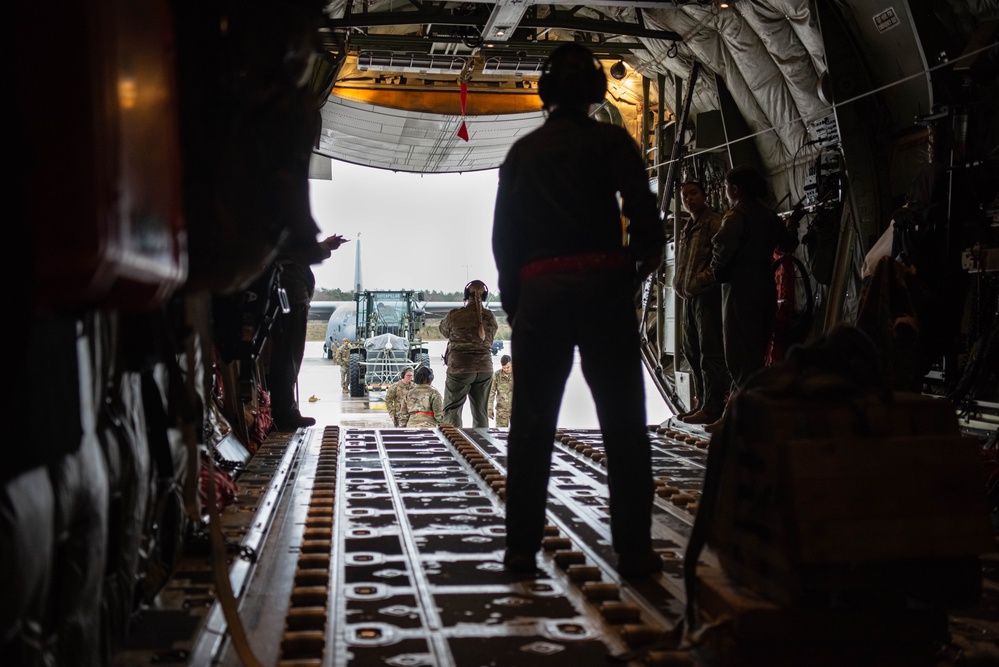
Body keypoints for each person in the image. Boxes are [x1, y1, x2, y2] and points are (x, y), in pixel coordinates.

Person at [491, 43, 666, 578]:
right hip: (603, 289)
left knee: (531, 424)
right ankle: (634, 552)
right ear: (595, 92)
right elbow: (645, 217)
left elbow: (506, 240)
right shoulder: (613, 141)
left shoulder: (523, 153)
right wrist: (632, 271)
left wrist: (519, 305)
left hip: (542, 291)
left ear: (545, 93)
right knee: (623, 424)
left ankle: (521, 549)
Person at [705, 165, 793, 433]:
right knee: (756, 351)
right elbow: (788, 244)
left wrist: (718, 269)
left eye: (726, 187)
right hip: (764, 287)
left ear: (735, 189)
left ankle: (738, 418)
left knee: (737, 353)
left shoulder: (736, 214)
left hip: (740, 287)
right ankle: (745, 412)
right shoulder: (769, 215)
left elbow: (722, 245)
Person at [673, 180, 728, 425]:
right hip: (689, 296)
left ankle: (713, 407)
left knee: (709, 351)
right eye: (684, 195)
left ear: (704, 195)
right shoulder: (689, 226)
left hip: (706, 295)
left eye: (693, 193)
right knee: (691, 349)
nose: (688, 199)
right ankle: (702, 402)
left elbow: (722, 259)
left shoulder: (713, 222)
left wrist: (701, 280)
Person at [439, 280, 499, 427]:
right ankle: (482, 443)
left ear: (467, 295)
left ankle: (454, 443)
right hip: (485, 368)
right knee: (481, 413)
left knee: (452, 410)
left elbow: (443, 330)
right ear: (485, 296)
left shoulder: (455, 315)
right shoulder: (489, 317)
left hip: (460, 368)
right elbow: (490, 336)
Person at [487, 355, 514, 427]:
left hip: (516, 409)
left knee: (519, 434)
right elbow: (491, 392)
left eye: (508, 367)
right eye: (504, 368)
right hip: (501, 411)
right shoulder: (497, 375)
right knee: (500, 433)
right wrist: (490, 408)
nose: (506, 369)